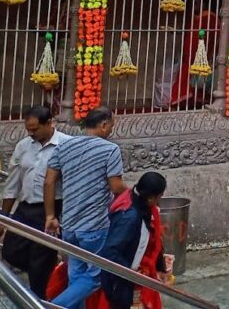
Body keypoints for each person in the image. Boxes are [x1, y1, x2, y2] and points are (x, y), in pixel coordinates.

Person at [44, 106, 125, 309]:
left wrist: (50, 215)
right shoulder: (110, 149)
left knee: (76, 276)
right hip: (95, 226)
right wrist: (134, 194)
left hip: (69, 224)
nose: (111, 131)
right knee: (96, 277)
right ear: (104, 125)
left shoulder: (64, 146)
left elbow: (49, 182)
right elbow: (116, 187)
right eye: (111, 126)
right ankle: (50, 307)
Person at [0, 105, 71, 299]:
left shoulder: (66, 145)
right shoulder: (23, 145)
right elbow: (12, 183)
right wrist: (3, 218)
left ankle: (37, 300)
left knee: (41, 261)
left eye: (35, 129)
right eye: (28, 129)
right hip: (25, 207)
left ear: (49, 123)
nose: (31, 133)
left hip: (51, 209)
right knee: (10, 251)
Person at [95, 171, 170, 309]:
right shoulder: (130, 217)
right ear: (151, 198)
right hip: (120, 279)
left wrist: (160, 267)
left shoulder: (139, 202)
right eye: (160, 196)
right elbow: (111, 251)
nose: (160, 199)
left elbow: (153, 237)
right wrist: (133, 275)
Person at [168, 8, 220, 107]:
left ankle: (187, 101)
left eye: (197, 2)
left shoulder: (208, 17)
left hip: (199, 53)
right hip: (197, 53)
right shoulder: (201, 17)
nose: (195, 5)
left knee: (194, 78)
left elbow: (210, 36)